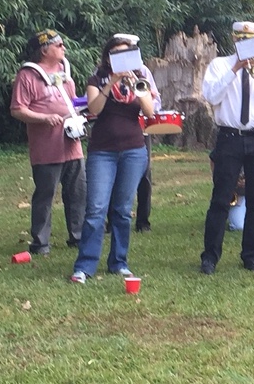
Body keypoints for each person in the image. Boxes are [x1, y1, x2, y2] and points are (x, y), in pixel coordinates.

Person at [200, 21, 254, 274]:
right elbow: (211, 97)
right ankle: (210, 257)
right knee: (220, 198)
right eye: (240, 39)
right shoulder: (219, 65)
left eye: (250, 39)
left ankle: (251, 255)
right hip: (229, 137)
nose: (244, 44)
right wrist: (235, 70)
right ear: (234, 40)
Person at [71, 33, 156, 283]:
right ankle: (85, 266)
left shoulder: (140, 78)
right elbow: (94, 109)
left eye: (126, 54)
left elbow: (150, 111)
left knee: (121, 210)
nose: (121, 58)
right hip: (102, 151)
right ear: (108, 57)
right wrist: (112, 83)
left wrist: (137, 86)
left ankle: (118, 262)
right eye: (116, 54)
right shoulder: (96, 79)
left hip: (134, 150)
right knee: (96, 209)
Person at [9, 29, 86, 255]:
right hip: (46, 148)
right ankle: (41, 242)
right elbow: (17, 109)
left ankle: (78, 236)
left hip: (72, 144)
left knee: (78, 192)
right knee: (45, 195)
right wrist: (44, 118)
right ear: (45, 50)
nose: (64, 48)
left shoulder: (65, 70)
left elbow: (71, 101)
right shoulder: (28, 75)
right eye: (59, 45)